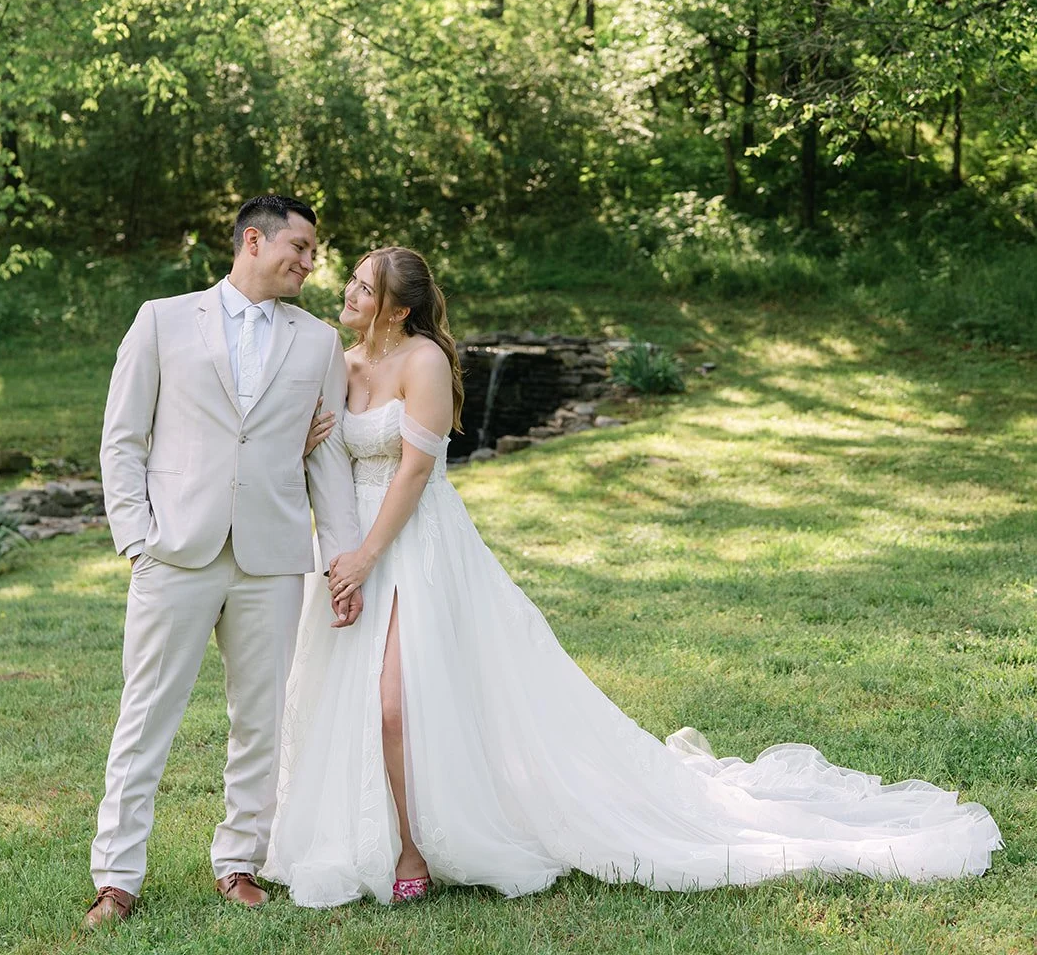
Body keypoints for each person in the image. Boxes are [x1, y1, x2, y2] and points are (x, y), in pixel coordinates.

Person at [266, 247, 1001, 908]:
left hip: (413, 542)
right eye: (353, 284)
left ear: (397, 307)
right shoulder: (340, 360)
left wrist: (370, 556)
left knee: (398, 703)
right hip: (346, 545)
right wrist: (331, 525)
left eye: (362, 288)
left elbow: (418, 471)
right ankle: (357, 832)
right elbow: (320, 455)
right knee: (344, 699)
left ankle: (414, 848)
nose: (347, 294)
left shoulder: (421, 361)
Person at [86, 195, 359, 928]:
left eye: (313, 251)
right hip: (176, 549)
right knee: (146, 716)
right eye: (299, 247)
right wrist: (136, 538)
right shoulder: (162, 319)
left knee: (260, 720)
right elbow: (123, 439)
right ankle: (117, 877)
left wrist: (340, 560)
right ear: (252, 240)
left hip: (271, 556)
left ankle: (239, 861)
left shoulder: (319, 343)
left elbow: (327, 464)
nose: (309, 262)